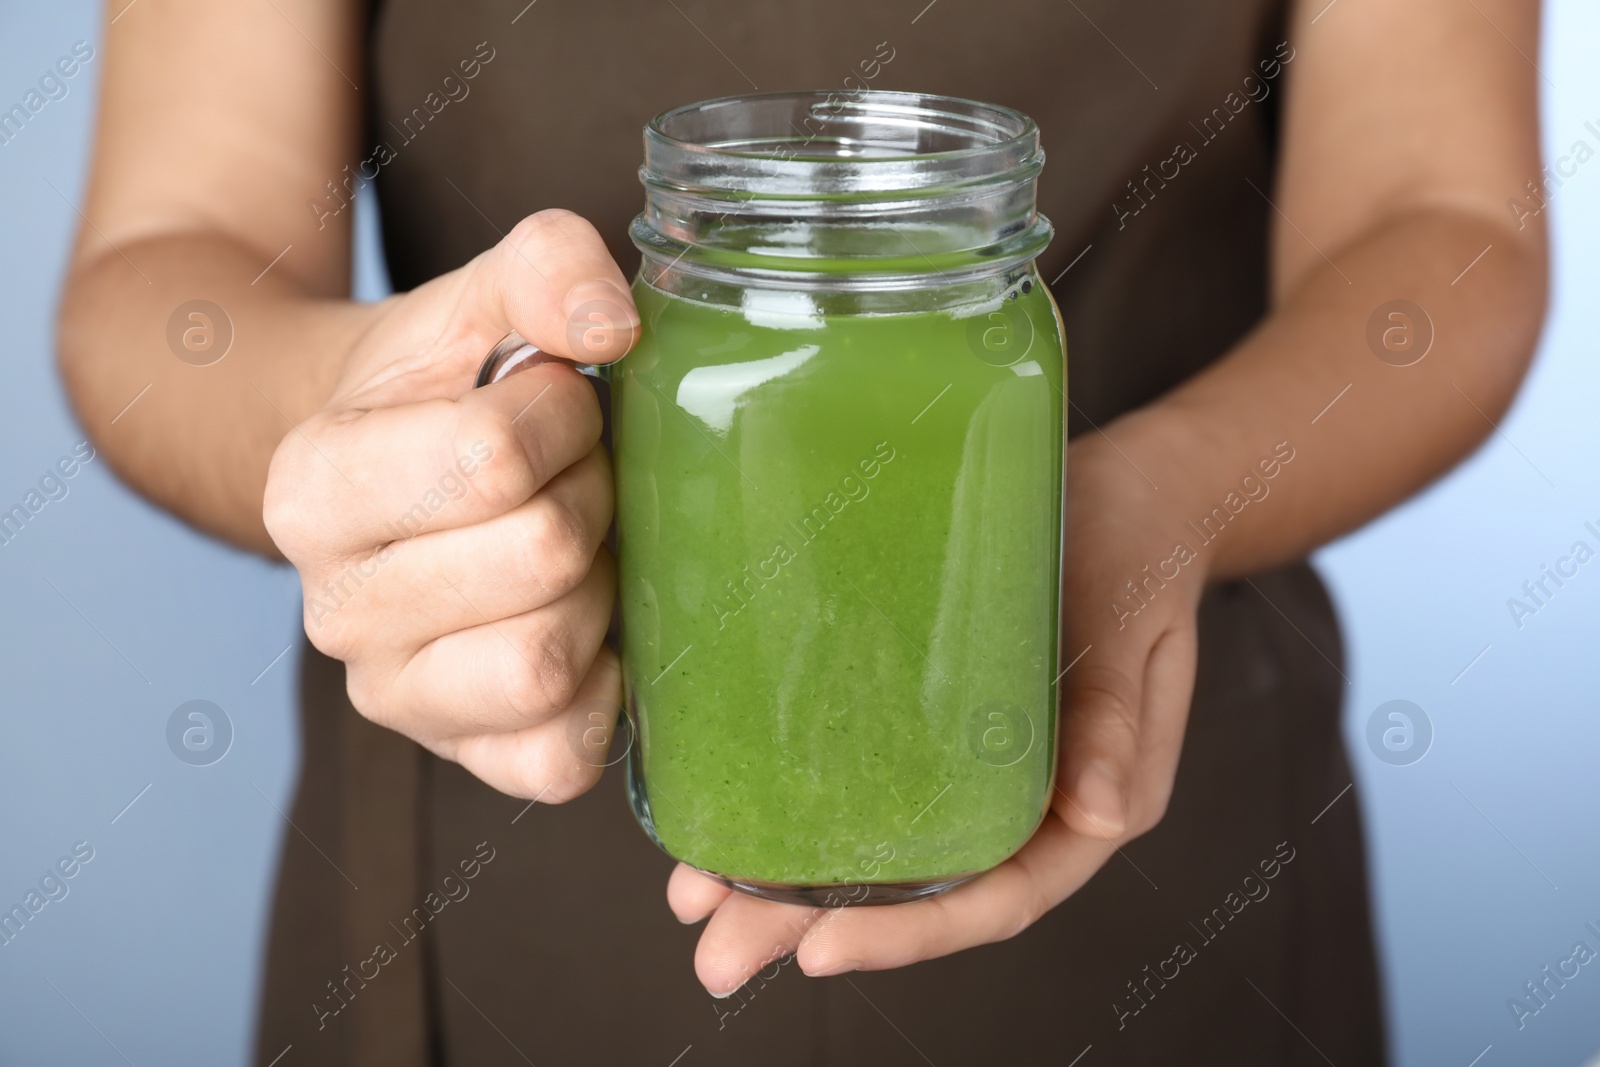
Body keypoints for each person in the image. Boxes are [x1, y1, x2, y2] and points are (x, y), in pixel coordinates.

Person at [58, 0, 1546, 1063]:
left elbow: (1439, 222)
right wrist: (388, 432)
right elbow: (165, 263)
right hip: (485, 837)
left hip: (1158, 805)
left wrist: (1172, 489)